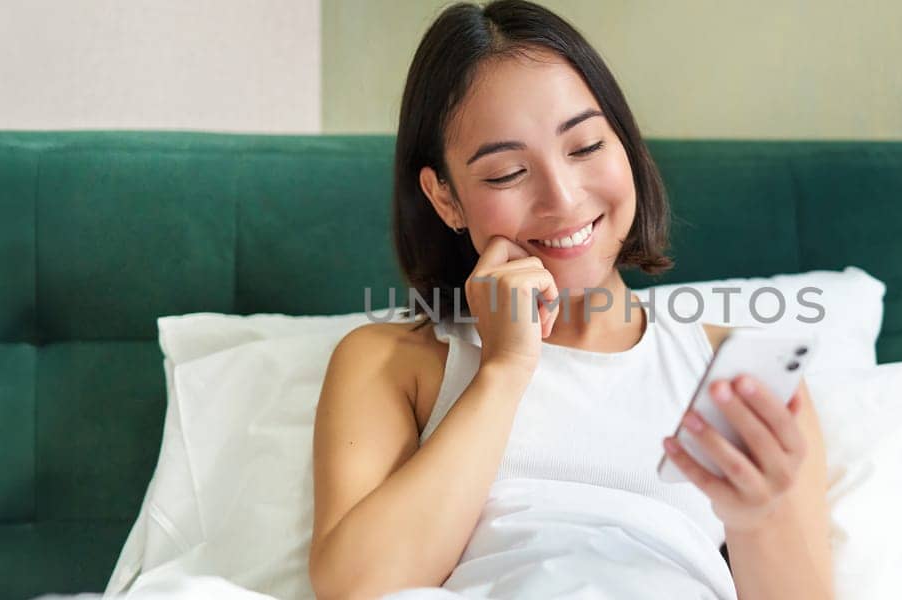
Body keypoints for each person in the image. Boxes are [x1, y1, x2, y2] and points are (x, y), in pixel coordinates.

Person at [307, 2, 831, 598]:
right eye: (507, 173)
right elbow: (354, 585)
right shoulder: (391, 360)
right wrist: (504, 371)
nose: (562, 198)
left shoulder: (734, 375)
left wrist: (757, 516)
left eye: (584, 147)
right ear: (445, 198)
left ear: (625, 145)